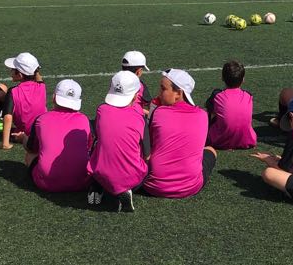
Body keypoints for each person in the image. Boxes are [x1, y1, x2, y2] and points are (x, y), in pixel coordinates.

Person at [143, 69, 216, 198]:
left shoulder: (159, 113)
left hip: (153, 185)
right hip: (190, 186)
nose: (159, 93)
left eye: (163, 89)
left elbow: (149, 146)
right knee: (210, 150)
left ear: (178, 93)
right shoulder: (203, 115)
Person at [88, 71, 150, 212]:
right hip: (132, 178)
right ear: (136, 95)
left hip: (100, 173)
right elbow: (147, 154)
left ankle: (97, 186)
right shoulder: (139, 117)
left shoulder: (101, 110)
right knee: (148, 165)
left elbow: (99, 136)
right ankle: (125, 189)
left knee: (98, 147)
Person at [24, 79, 92, 193]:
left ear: (54, 97)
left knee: (29, 155)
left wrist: (22, 139)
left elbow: (32, 148)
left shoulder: (41, 119)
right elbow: (89, 148)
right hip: (81, 181)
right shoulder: (84, 120)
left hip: (46, 182)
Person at [206, 60, 257, 150]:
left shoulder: (217, 95)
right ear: (243, 80)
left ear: (222, 78)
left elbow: (210, 110)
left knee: (207, 114)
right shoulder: (248, 95)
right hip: (247, 140)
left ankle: (209, 134)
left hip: (219, 140)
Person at [1, 52, 47, 148]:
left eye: (13, 70)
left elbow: (8, 117)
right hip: (42, 130)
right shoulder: (41, 86)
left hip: (24, 132)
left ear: (20, 75)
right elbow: (39, 78)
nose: (11, 72)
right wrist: (35, 69)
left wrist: (5, 143)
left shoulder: (13, 91)